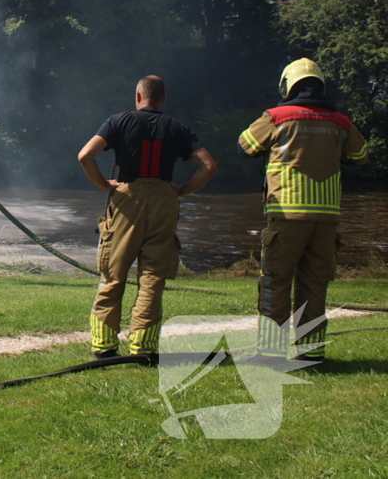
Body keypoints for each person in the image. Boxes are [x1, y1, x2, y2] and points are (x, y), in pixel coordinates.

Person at [78, 76, 218, 359]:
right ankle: (143, 345)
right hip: (164, 200)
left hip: (127, 198)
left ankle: (104, 345)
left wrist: (104, 184)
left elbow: (85, 156)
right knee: (153, 276)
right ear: (163, 100)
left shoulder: (119, 121)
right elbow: (209, 166)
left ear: (138, 97)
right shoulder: (178, 127)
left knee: (114, 272)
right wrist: (181, 191)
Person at [238, 58, 368, 363]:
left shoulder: (277, 116)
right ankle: (311, 354)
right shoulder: (340, 121)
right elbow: (361, 155)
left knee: (275, 281)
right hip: (326, 219)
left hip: (286, 216)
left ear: (287, 85)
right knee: (314, 284)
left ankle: (270, 353)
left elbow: (245, 146)